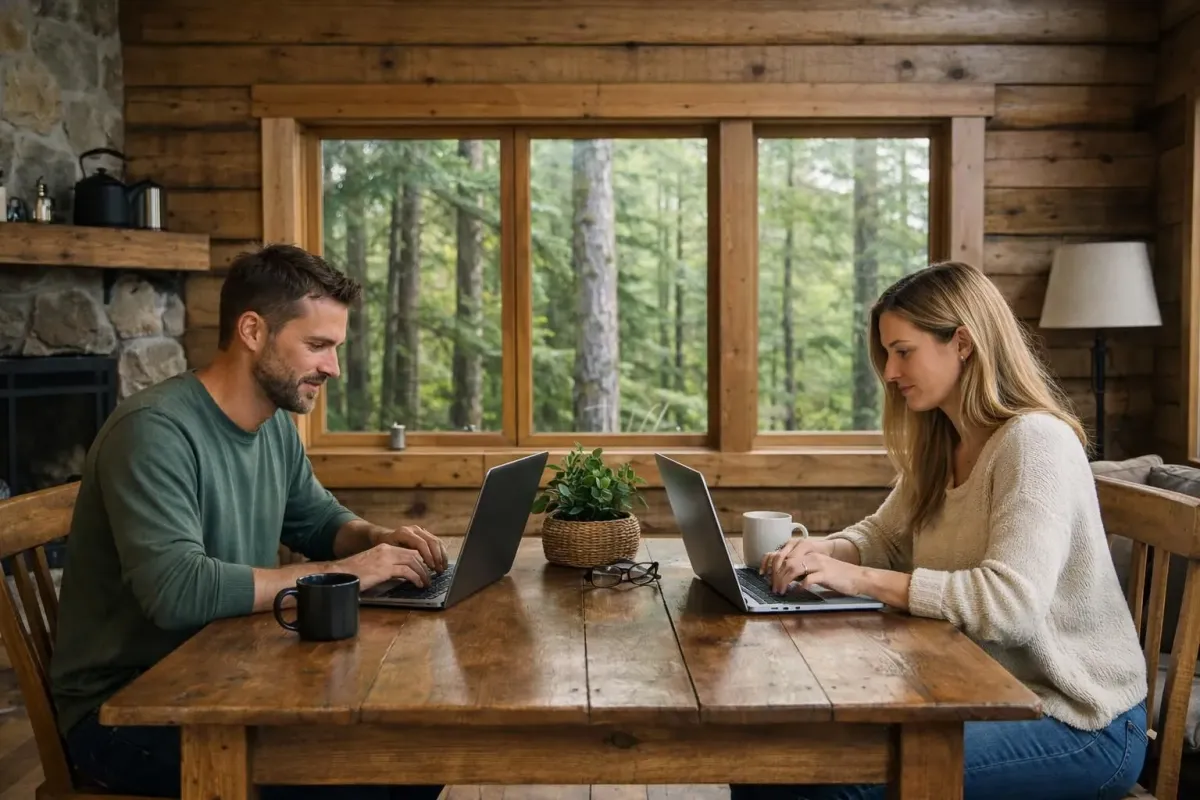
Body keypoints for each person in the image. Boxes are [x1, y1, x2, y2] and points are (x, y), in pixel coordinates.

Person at [734, 262, 1148, 800]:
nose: (888, 371)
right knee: (768, 761)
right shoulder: (940, 441)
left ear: (963, 343)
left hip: (1079, 718)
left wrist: (854, 577)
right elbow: (884, 537)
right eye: (886, 354)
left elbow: (1010, 606)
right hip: (974, 691)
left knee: (827, 785)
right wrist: (822, 550)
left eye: (903, 351)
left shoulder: (1035, 443)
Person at [49, 244, 446, 800]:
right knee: (379, 775)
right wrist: (346, 571)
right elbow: (176, 592)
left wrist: (378, 540)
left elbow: (315, 518)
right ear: (253, 330)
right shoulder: (153, 432)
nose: (332, 367)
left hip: (225, 677)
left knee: (412, 752)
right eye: (317, 345)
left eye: (335, 348)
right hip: (124, 711)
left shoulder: (273, 425)